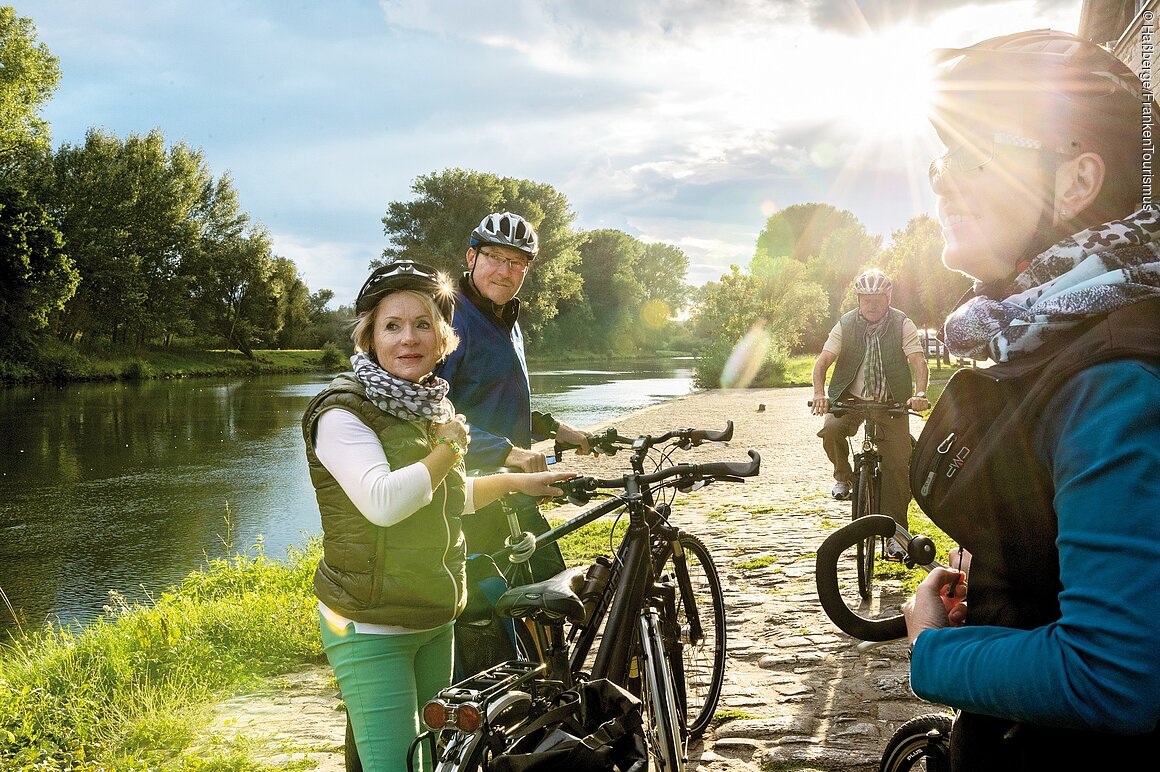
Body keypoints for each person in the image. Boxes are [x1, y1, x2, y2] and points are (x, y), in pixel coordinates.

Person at [901, 29, 1160, 769]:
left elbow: (1113, 678)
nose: (943, 181)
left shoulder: (1108, 378)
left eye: (975, 155)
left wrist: (933, 651)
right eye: (941, 159)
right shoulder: (1050, 335)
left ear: (1076, 182)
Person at [302, 260, 573, 771]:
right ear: (369, 338)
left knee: (433, 763)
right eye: (393, 326)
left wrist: (521, 482)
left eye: (423, 324)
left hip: (434, 617)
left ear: (445, 339)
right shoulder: (342, 413)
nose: (409, 338)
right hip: (370, 623)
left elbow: (451, 498)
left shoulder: (434, 410)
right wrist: (448, 450)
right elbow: (384, 502)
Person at [434, 211, 591, 583]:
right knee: (491, 616)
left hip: (512, 489)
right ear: (471, 258)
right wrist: (511, 452)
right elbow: (431, 419)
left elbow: (492, 398)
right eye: (495, 258)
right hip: (468, 496)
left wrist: (552, 427)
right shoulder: (448, 318)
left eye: (517, 262)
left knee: (551, 594)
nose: (505, 271)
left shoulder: (508, 319)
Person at [810, 268, 930, 553]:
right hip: (850, 400)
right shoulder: (846, 324)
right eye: (866, 299)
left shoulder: (902, 323)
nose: (872, 304)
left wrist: (920, 394)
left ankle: (897, 536)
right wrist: (819, 393)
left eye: (877, 297)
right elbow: (823, 361)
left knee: (897, 466)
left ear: (888, 297)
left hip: (890, 403)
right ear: (858, 299)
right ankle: (843, 475)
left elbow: (918, 361)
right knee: (831, 429)